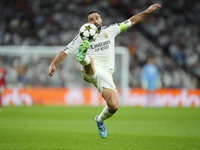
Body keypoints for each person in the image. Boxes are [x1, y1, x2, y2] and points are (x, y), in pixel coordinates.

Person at [48, 4, 161, 139]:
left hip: (106, 73)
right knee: (89, 61)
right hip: (90, 70)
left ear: (101, 19)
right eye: (91, 19)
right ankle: (83, 57)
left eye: (96, 18)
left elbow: (131, 21)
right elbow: (66, 50)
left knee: (114, 106)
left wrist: (146, 12)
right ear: (87, 23)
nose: (95, 21)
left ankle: (99, 120)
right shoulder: (82, 35)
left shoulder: (112, 30)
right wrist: (53, 63)